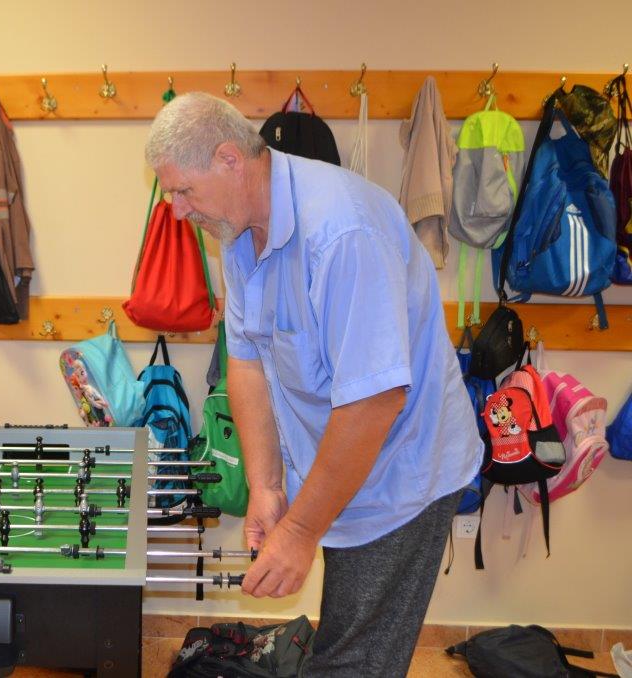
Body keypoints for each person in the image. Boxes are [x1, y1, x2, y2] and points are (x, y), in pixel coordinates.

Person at [146, 93, 481, 676]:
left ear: (229, 159)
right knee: (342, 635)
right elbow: (246, 360)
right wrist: (266, 486)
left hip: (401, 471)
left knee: (356, 655)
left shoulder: (344, 232)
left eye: (183, 191)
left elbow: (374, 401)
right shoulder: (237, 232)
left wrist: (300, 531)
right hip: (343, 459)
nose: (176, 210)